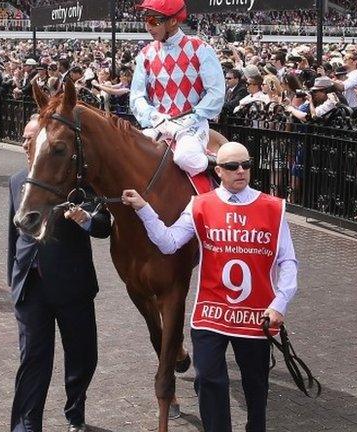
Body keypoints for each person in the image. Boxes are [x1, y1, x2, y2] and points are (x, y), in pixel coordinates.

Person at [120, 141, 299, 432]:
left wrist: (280, 302)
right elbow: (168, 242)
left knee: (256, 387)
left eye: (246, 165)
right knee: (209, 381)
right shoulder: (201, 204)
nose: (241, 171)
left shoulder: (272, 207)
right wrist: (144, 209)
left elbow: (288, 261)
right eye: (232, 166)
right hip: (211, 314)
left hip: (256, 314)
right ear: (218, 171)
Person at [8, 116, 112, 432]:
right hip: (31, 286)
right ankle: (26, 426)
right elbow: (12, 239)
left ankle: (74, 412)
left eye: (33, 138)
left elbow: (104, 225)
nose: (27, 144)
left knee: (82, 356)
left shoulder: (77, 183)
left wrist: (85, 220)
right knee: (32, 361)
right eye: (24, 139)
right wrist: (14, 282)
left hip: (71, 285)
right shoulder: (15, 180)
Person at [130, 0, 225, 177]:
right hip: (159, 123)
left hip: (192, 125)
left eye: (153, 20)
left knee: (185, 157)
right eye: (145, 19)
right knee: (131, 157)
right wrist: (154, 116)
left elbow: (216, 93)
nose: (148, 26)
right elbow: (136, 97)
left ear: (173, 21)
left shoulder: (200, 49)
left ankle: (219, 170)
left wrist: (191, 118)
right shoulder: (145, 54)